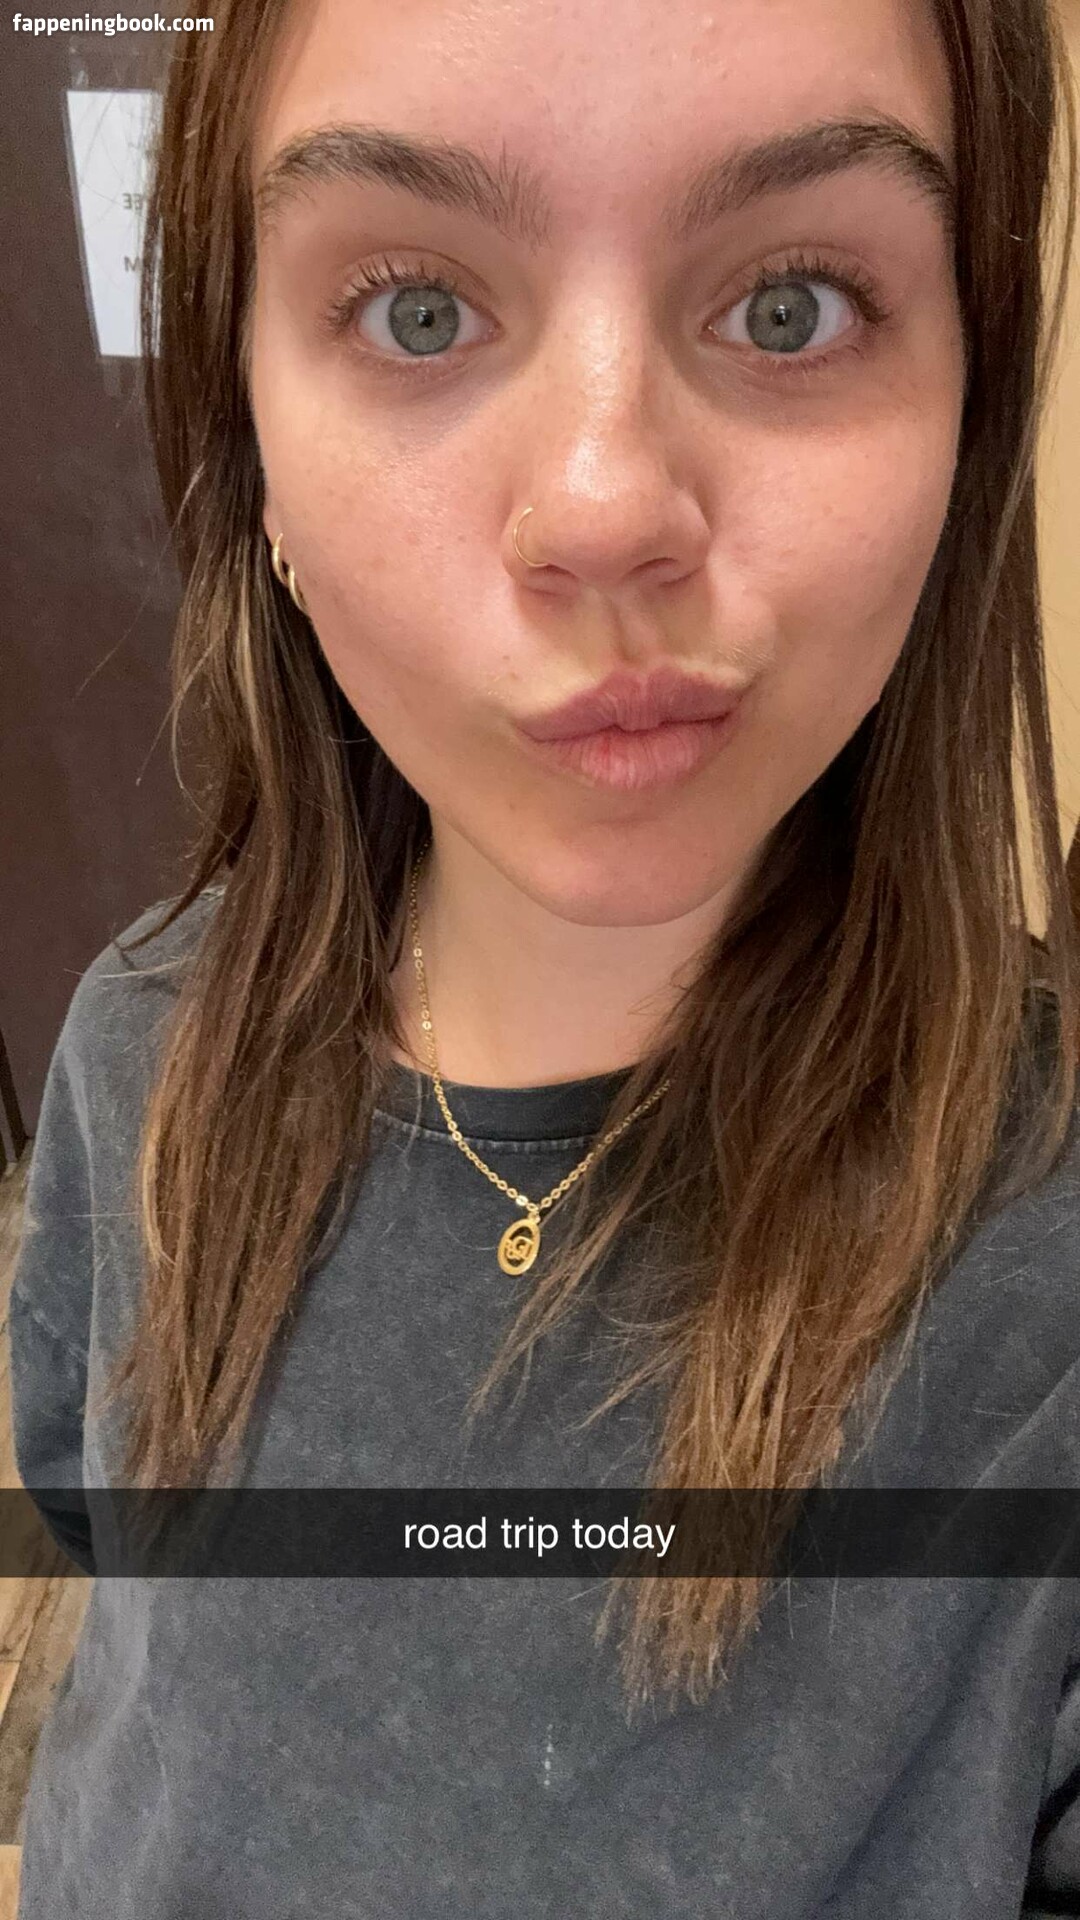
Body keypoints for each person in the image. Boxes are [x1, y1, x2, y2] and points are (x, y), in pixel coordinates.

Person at [8, 0, 1080, 1911]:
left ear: (965, 421)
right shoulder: (138, 1043)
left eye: (791, 307)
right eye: (420, 311)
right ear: (253, 450)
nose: (603, 509)